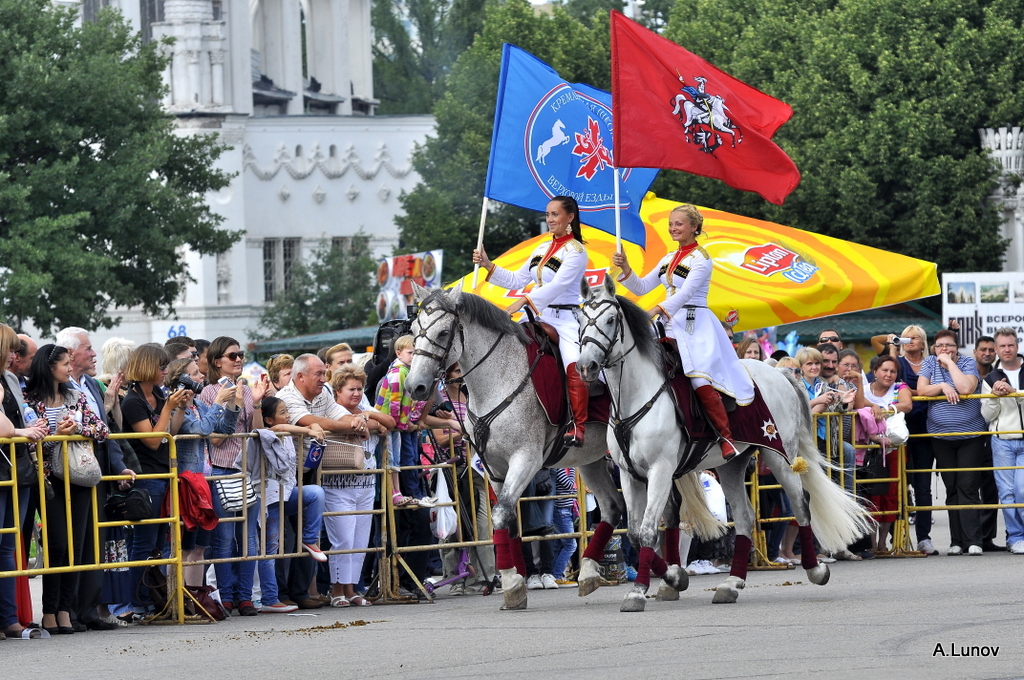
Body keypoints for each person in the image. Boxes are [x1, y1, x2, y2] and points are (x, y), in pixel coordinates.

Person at [612, 203, 754, 460]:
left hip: (694, 323)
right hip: (667, 323)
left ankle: (725, 437)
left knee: (698, 379)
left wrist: (657, 309)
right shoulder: (668, 259)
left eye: (678, 224)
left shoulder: (702, 259)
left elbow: (686, 293)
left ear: (694, 227)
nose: (673, 228)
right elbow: (643, 286)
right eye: (671, 224)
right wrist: (626, 269)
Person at [474, 196, 590, 447]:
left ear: (570, 217)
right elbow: (516, 279)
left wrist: (525, 300)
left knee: (574, 364)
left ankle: (578, 426)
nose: (550, 220)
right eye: (547, 215)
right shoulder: (540, 250)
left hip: (567, 320)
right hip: (539, 317)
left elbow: (559, 285)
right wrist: (487, 265)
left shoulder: (577, 252)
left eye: (555, 215)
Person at [54, 327, 137, 631]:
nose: (93, 354)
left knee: (94, 541)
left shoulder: (92, 384)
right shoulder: (57, 385)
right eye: (88, 349)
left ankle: (89, 608)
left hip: (97, 470)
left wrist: (119, 467)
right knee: (73, 542)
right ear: (70, 353)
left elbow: (106, 432)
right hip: (70, 472)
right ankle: (68, 609)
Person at [24, 344, 110, 634]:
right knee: (57, 545)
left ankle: (65, 610)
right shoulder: (30, 399)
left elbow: (102, 430)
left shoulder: (75, 395)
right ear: (50, 367)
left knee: (75, 545)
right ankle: (50, 610)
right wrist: (54, 436)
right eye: (65, 364)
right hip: (48, 479)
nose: (70, 368)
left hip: (79, 476)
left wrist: (77, 430)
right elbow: (30, 443)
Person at [199, 337, 270, 616]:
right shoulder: (208, 393)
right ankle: (225, 596)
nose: (239, 359)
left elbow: (258, 430)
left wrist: (259, 402)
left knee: (249, 537)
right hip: (220, 469)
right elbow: (215, 440)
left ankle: (246, 597)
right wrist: (235, 405)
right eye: (232, 355)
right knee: (225, 539)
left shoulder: (246, 389)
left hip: (246, 470)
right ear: (217, 361)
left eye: (240, 354)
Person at [119, 344, 190, 619]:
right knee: (143, 543)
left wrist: (178, 409)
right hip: (145, 477)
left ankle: (151, 598)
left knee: (159, 544)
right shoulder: (133, 401)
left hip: (163, 474)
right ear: (148, 367)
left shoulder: (158, 394)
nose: (165, 372)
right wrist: (168, 408)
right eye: (161, 367)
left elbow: (168, 433)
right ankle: (137, 602)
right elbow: (150, 440)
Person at [162, 358, 239, 586]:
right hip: (186, 483)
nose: (202, 377)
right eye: (195, 373)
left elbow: (225, 428)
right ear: (183, 379)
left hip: (204, 482)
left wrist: (233, 403)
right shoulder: (176, 406)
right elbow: (201, 430)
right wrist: (217, 401)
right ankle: (176, 598)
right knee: (183, 548)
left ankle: (195, 597)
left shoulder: (199, 405)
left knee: (200, 547)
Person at [916, 329, 987, 556]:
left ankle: (973, 540)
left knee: (968, 486)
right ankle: (956, 541)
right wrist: (943, 386)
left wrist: (949, 363)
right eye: (939, 346)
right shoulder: (929, 362)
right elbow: (921, 389)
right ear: (933, 348)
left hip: (971, 437)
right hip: (941, 437)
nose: (944, 349)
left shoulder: (967, 362)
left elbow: (966, 388)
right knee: (952, 487)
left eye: (949, 346)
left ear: (957, 348)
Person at [327, 366, 394, 606]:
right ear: (337, 391)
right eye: (350, 389)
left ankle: (352, 589)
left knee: (360, 540)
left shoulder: (366, 409)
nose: (355, 393)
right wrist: (371, 423)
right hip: (338, 483)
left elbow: (390, 421)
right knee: (342, 539)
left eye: (359, 389)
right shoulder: (332, 410)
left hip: (366, 483)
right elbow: (349, 424)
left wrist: (368, 417)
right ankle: (336, 590)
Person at [255, 397, 328, 612]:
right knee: (272, 548)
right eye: (282, 411)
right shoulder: (274, 430)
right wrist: (308, 431)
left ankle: (309, 540)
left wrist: (314, 426)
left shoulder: (289, 432)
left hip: (287, 493)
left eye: (287, 411)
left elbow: (292, 425)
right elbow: (282, 426)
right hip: (271, 497)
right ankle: (271, 597)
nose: (287, 415)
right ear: (268, 419)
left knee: (316, 492)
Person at [428, 363, 495, 595]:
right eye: (456, 371)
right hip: (450, 469)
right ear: (446, 375)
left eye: (461, 371)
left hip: (477, 467)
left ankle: (485, 576)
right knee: (450, 524)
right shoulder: (440, 400)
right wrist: (466, 431)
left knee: (483, 524)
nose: (460, 375)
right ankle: (454, 578)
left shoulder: (472, 399)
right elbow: (439, 438)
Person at [0, 325, 49, 640]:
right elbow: (6, 428)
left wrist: (28, 430)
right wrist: (23, 433)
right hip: (5, 467)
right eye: (9, 348)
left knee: (7, 545)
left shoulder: (9, 380)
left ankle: (8, 619)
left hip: (9, 469)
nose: (13, 355)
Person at [855, 355, 912, 554]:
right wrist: (874, 407)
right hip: (869, 448)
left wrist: (886, 409)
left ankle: (882, 543)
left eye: (893, 371)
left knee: (891, 493)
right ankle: (871, 543)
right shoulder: (866, 388)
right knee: (871, 494)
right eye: (885, 370)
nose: (889, 374)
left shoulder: (900, 387)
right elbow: (859, 403)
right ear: (875, 371)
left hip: (894, 448)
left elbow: (907, 404)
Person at [979, 327, 1024, 554]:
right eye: (1002, 346)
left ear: (1017, 345)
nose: (1007, 349)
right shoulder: (991, 378)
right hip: (1001, 441)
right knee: (1006, 494)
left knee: (1022, 490)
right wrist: (995, 397)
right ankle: (1015, 537)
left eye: (1011, 345)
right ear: (996, 349)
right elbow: (987, 416)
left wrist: (1015, 392)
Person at [375, 336, 428, 505]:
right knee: (390, 457)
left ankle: (396, 491)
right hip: (389, 422)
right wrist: (400, 423)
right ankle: (393, 492)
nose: (414, 356)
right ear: (399, 353)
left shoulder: (406, 371)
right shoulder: (398, 372)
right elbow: (395, 402)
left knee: (395, 459)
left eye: (416, 353)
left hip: (396, 423)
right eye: (410, 353)